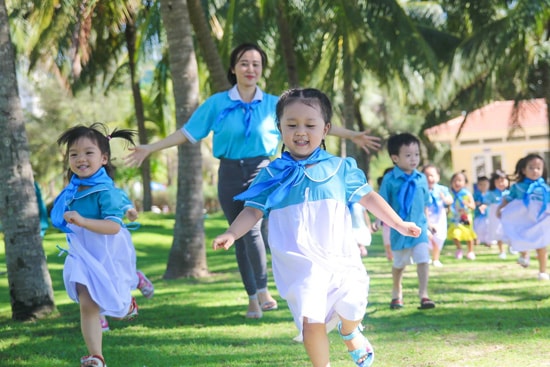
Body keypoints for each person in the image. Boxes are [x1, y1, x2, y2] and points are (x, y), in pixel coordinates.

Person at [125, 43, 381, 319]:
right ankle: (252, 298)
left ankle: (263, 291)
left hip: (264, 169)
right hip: (230, 172)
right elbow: (188, 133)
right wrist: (150, 148)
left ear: (262, 69)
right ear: (233, 68)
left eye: (256, 63)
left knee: (255, 229)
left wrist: (352, 135)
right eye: (244, 62)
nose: (250, 68)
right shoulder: (217, 103)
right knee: (240, 235)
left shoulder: (273, 103)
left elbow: (312, 120)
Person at [212, 88, 420, 367]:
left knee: (353, 307)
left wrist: (398, 223)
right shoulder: (272, 172)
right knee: (312, 322)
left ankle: (349, 330)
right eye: (291, 124)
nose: (301, 131)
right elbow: (252, 210)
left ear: (326, 129)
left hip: (339, 257)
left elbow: (369, 197)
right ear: (279, 129)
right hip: (299, 261)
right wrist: (231, 233)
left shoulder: (340, 168)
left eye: (310, 125)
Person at [51, 123, 140, 367]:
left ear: (103, 158)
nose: (80, 159)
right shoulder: (73, 189)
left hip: (107, 250)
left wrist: (82, 221)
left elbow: (113, 227)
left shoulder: (106, 191)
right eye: (74, 154)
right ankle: (96, 356)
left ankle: (127, 302)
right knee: (87, 302)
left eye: (88, 153)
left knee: (114, 300)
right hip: (81, 252)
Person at [379, 133, 435, 310]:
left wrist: (429, 223)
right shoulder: (389, 179)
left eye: (416, 154)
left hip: (419, 229)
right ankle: (397, 293)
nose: (414, 159)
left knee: (423, 259)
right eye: (408, 155)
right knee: (399, 264)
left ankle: (424, 295)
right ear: (395, 158)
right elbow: (382, 203)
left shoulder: (421, 179)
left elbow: (425, 203)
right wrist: (379, 221)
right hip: (399, 232)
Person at [100, 188, 154, 333]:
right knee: (93, 276)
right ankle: (99, 316)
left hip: (114, 239)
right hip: (89, 240)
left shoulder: (109, 189)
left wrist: (129, 210)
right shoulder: (76, 189)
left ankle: (137, 279)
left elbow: (124, 203)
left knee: (118, 274)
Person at [497, 154, 550, 280]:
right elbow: (509, 198)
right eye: (531, 168)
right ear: (523, 170)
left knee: (541, 245)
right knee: (519, 236)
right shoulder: (518, 186)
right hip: (522, 218)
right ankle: (524, 255)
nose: (535, 171)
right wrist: (500, 208)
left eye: (538, 168)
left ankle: (542, 271)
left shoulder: (545, 187)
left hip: (539, 219)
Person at [423, 164, 453, 267]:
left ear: (438, 177)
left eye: (432, 175)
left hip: (440, 218)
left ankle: (436, 259)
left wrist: (445, 199)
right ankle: (425, 257)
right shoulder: (421, 190)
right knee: (427, 237)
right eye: (426, 176)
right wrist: (428, 223)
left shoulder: (442, 189)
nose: (429, 178)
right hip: (426, 217)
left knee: (439, 238)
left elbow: (450, 200)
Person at [447, 171, 477, 260]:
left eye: (460, 180)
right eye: (454, 181)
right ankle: (459, 248)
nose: (457, 183)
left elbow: (473, 206)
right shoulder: (450, 194)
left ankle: (470, 251)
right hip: (454, 218)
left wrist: (467, 204)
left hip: (465, 218)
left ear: (465, 183)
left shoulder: (467, 194)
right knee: (454, 234)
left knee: (468, 235)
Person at [484, 170, 511, 259]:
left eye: (503, 180)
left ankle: (511, 246)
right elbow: (486, 202)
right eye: (498, 181)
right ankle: (501, 251)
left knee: (509, 230)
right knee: (498, 232)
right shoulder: (491, 193)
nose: (501, 183)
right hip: (496, 215)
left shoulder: (510, 193)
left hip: (508, 214)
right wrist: (483, 207)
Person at [371, 167, 394, 261]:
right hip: (386, 222)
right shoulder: (382, 193)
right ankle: (389, 254)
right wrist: (377, 221)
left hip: (400, 220)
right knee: (387, 242)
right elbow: (379, 208)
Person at [473, 176, 490, 247]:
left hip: (487, 215)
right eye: (480, 184)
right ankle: (477, 239)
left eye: (485, 184)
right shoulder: (476, 194)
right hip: (478, 215)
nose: (483, 186)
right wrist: (477, 203)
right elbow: (473, 202)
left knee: (487, 228)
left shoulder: (489, 194)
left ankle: (488, 241)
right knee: (478, 228)